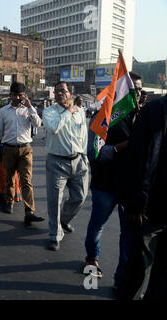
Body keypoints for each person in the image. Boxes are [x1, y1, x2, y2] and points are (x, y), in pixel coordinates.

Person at [84, 72, 144, 283]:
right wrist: (122, 147)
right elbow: (94, 153)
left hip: (129, 186)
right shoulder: (103, 116)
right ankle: (92, 258)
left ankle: (122, 279)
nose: (137, 94)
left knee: (127, 234)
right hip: (105, 184)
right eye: (132, 89)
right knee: (98, 224)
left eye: (139, 90)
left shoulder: (143, 117)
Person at [116, 94, 167, 300]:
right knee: (137, 269)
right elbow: (136, 159)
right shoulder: (154, 111)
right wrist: (135, 203)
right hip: (149, 208)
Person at [43, 81, 89, 251]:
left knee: (80, 197)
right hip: (57, 162)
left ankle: (63, 221)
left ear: (70, 93)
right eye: (57, 92)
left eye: (63, 91)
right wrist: (68, 112)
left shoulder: (81, 112)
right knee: (55, 200)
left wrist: (84, 157)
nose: (60, 93)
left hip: (78, 161)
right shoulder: (49, 112)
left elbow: (83, 135)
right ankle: (55, 235)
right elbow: (54, 128)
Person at [0, 82, 44, 226]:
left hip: (25, 149)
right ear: (10, 95)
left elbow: (37, 124)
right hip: (8, 148)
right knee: (10, 178)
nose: (17, 97)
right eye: (14, 95)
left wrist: (30, 107)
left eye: (20, 95)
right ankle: (9, 202)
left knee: (26, 181)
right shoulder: (4, 111)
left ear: (24, 95)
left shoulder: (29, 109)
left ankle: (29, 212)